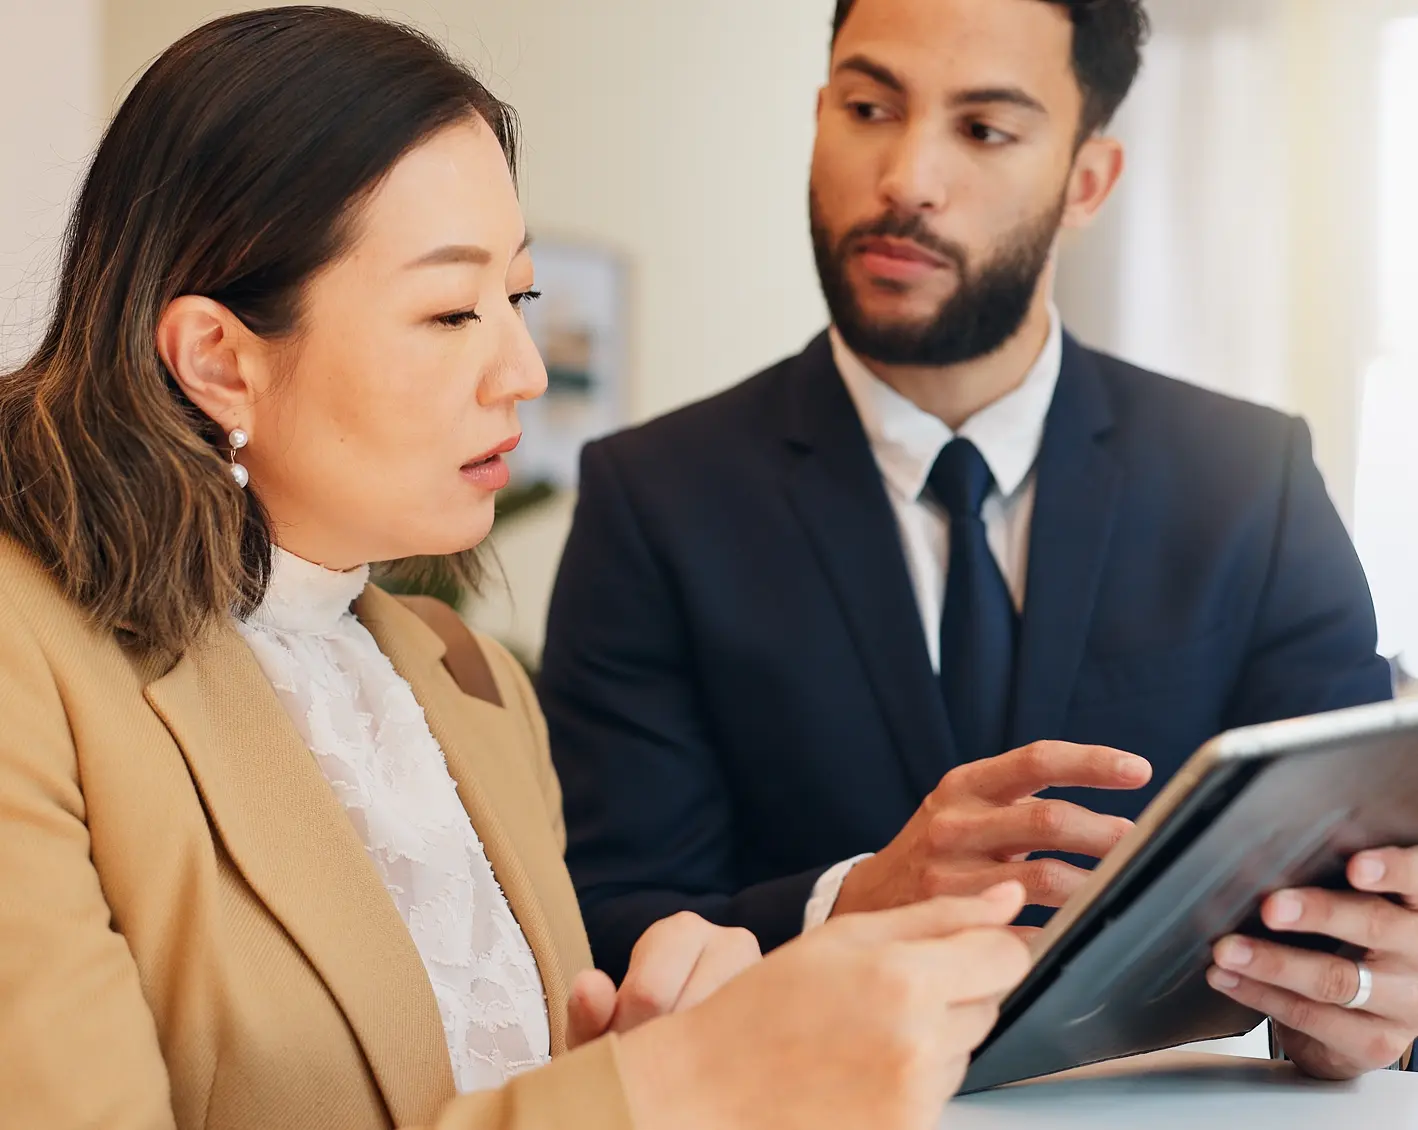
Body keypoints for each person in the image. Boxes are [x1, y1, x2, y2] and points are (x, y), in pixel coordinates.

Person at [0, 8, 1037, 1128]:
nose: (524, 371)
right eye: (450, 309)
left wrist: (641, 1051)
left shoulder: (471, 683)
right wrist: (664, 1088)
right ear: (218, 358)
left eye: (520, 296)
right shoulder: (29, 661)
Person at [540, 0, 1418, 1080]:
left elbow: (1361, 886)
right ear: (818, 118)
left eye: (983, 129)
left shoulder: (1252, 478)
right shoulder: (651, 497)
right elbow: (601, 921)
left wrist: (1372, 996)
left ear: (1086, 181)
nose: (906, 177)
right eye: (868, 108)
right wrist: (850, 899)